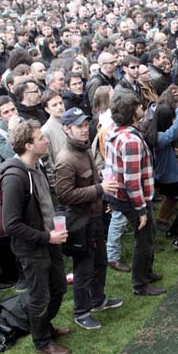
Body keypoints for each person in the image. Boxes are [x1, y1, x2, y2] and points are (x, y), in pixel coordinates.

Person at [0, 119, 70, 354]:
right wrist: (45, 236)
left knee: (59, 288)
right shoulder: (14, 178)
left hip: (49, 240)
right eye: (41, 138)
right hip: (33, 248)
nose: (46, 139)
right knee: (39, 297)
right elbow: (11, 224)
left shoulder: (37, 166)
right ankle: (42, 341)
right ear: (28, 146)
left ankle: (44, 327)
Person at [55, 107, 122, 330]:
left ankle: (98, 300)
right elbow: (64, 195)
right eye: (79, 126)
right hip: (80, 222)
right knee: (83, 270)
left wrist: (102, 194)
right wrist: (98, 189)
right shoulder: (65, 159)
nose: (85, 130)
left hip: (94, 217)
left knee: (101, 262)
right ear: (67, 129)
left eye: (85, 125)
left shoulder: (83, 150)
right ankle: (81, 312)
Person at [105, 89, 165, 296]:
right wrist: (140, 209)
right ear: (132, 112)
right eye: (139, 106)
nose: (142, 108)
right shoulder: (130, 140)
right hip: (132, 199)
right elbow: (132, 181)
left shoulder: (116, 131)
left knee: (149, 235)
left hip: (123, 196)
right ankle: (140, 284)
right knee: (143, 240)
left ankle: (146, 273)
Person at [144, 83, 178, 255]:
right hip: (172, 179)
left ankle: (173, 230)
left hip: (164, 178)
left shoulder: (152, 131)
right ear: (166, 121)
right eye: (171, 119)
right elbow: (175, 129)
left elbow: (172, 118)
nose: (173, 120)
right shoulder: (161, 138)